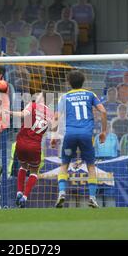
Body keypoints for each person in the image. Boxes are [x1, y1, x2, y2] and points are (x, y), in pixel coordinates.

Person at [51, 70, 107, 208]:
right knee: (91, 166)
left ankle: (62, 192)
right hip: (86, 136)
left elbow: (56, 117)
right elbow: (104, 111)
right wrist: (104, 131)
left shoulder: (64, 97)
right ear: (84, 82)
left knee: (64, 164)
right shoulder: (90, 94)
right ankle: (92, 197)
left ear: (69, 83)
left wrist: (53, 135)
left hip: (70, 135)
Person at [7, 93, 54, 208]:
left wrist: (10, 113)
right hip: (35, 145)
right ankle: (25, 197)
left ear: (43, 98)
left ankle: (19, 192)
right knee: (34, 172)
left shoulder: (32, 105)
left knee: (23, 166)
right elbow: (53, 129)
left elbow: (23, 114)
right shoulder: (51, 114)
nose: (35, 96)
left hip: (21, 142)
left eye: (38, 95)